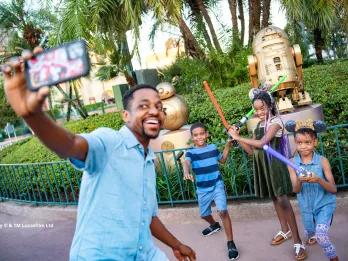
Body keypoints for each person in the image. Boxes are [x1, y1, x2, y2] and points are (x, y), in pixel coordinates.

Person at [2, 47, 196, 261]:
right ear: (125, 115)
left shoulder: (148, 159)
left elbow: (147, 216)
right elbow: (70, 144)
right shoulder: (109, 141)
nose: (154, 111)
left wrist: (177, 245)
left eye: (159, 107)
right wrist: (33, 116)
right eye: (143, 105)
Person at [228, 90, 307, 261]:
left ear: (270, 105)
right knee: (274, 199)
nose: (259, 112)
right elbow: (252, 151)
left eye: (262, 108)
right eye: (256, 110)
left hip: (275, 166)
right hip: (262, 167)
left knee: (283, 201)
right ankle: (284, 230)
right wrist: (237, 139)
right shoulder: (257, 125)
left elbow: (263, 142)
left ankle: (298, 242)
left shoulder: (276, 122)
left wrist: (238, 135)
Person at [183, 122, 239, 260]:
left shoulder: (213, 148)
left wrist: (227, 145)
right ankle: (214, 225)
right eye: (196, 135)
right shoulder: (191, 152)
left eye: (202, 133)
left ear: (207, 134)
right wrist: (186, 172)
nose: (199, 137)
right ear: (192, 137)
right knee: (204, 215)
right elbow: (186, 162)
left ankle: (231, 243)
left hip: (216, 184)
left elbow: (223, 160)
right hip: (202, 190)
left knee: (223, 211)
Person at [285, 120, 339, 261]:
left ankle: (333, 257)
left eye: (307, 142)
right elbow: (296, 190)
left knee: (321, 235)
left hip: (324, 204)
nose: (303, 146)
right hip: (306, 207)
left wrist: (319, 180)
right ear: (295, 142)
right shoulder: (292, 163)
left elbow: (333, 189)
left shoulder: (322, 161)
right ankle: (311, 233)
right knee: (310, 232)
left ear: (315, 142)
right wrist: (300, 180)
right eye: (299, 143)